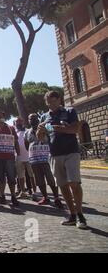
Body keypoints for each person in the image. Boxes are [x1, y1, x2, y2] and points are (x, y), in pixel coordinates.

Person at [38, 91, 87, 229]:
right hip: (54, 154)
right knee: (63, 185)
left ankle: (80, 215)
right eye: (48, 101)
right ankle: (72, 214)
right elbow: (42, 139)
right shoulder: (44, 116)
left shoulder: (69, 111)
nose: (51, 103)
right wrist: (39, 132)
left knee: (74, 183)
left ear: (59, 100)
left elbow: (75, 129)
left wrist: (55, 127)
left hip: (71, 152)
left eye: (53, 100)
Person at [25, 114, 62, 208]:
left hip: (46, 159)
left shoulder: (46, 127)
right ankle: (45, 197)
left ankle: (56, 197)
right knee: (39, 180)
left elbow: (52, 137)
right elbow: (26, 145)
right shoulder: (27, 132)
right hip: (34, 160)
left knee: (50, 179)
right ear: (28, 121)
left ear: (37, 119)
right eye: (30, 119)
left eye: (34, 118)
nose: (32, 120)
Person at [0, 111, 20, 207]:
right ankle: (2, 195)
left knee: (11, 177)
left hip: (9, 157)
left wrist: (19, 154)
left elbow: (16, 142)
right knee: (0, 177)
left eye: (1, 116)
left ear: (4, 117)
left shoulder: (11, 128)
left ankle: (13, 196)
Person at [14, 117, 36, 199]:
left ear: (22, 122)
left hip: (29, 156)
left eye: (20, 121)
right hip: (18, 157)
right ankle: (23, 192)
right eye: (17, 122)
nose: (18, 123)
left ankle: (34, 193)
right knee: (20, 176)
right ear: (15, 123)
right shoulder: (14, 132)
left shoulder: (28, 130)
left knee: (32, 176)